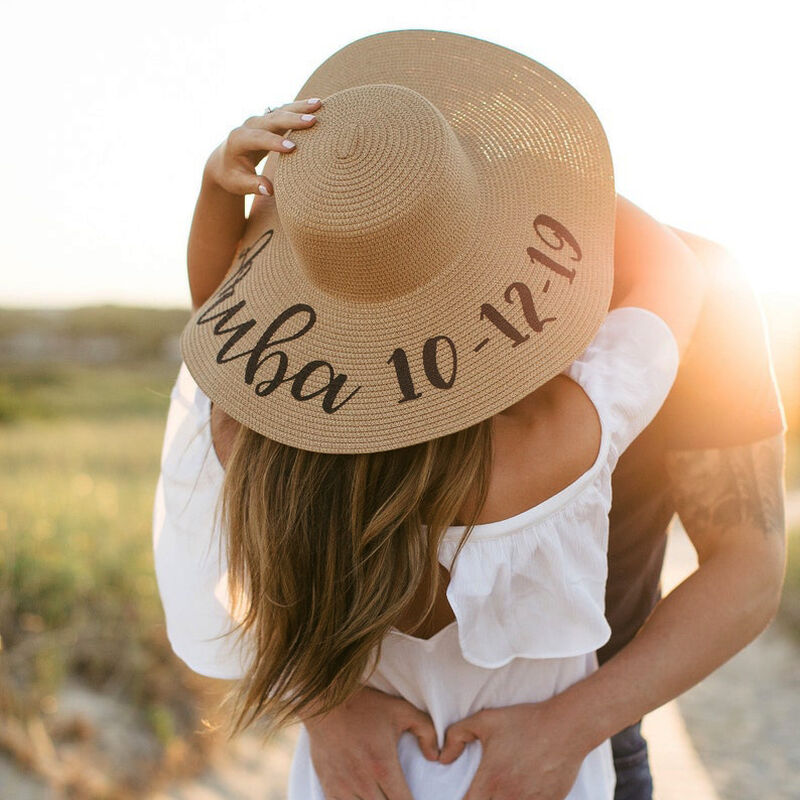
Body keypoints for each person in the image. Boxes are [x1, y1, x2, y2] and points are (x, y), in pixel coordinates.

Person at [150, 30, 776, 800]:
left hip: (383, 765)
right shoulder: (565, 438)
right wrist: (556, 168)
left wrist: (220, 190)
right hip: (549, 765)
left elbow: (226, 336)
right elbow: (668, 275)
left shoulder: (274, 425)